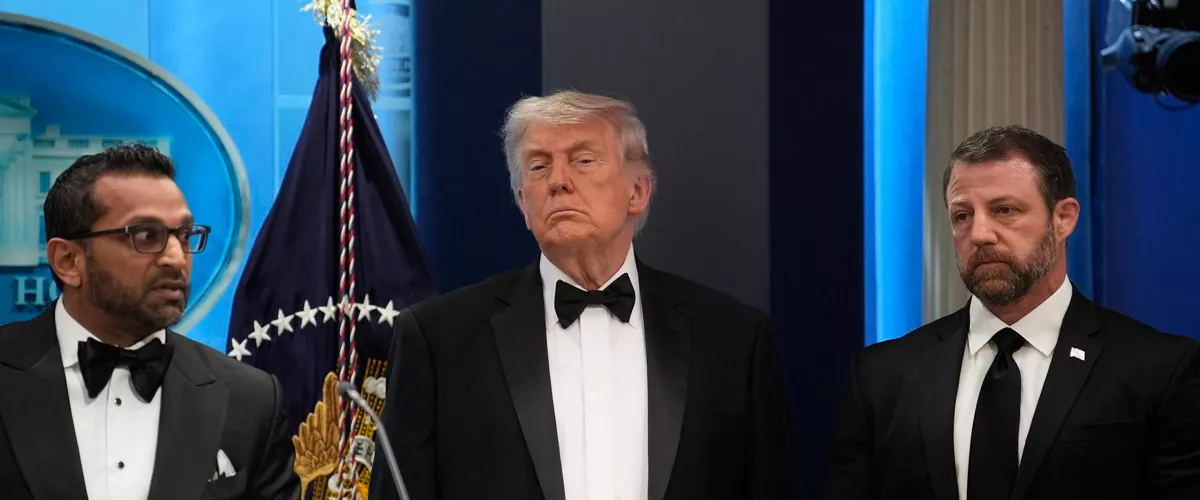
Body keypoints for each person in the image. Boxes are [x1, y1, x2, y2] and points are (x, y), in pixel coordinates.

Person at [370, 90, 796, 500]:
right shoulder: (438, 341)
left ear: (638, 192)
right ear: (522, 203)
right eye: (538, 167)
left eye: (584, 160)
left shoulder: (733, 341)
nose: (558, 181)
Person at [819, 125, 1200, 500]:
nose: (980, 234)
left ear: (1063, 218)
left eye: (1004, 210)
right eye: (962, 215)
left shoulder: (1158, 369)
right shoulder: (881, 376)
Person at [0, 144, 300, 500]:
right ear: (68, 260)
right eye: (146, 236)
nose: (177, 258)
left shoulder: (251, 400)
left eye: (185, 236)